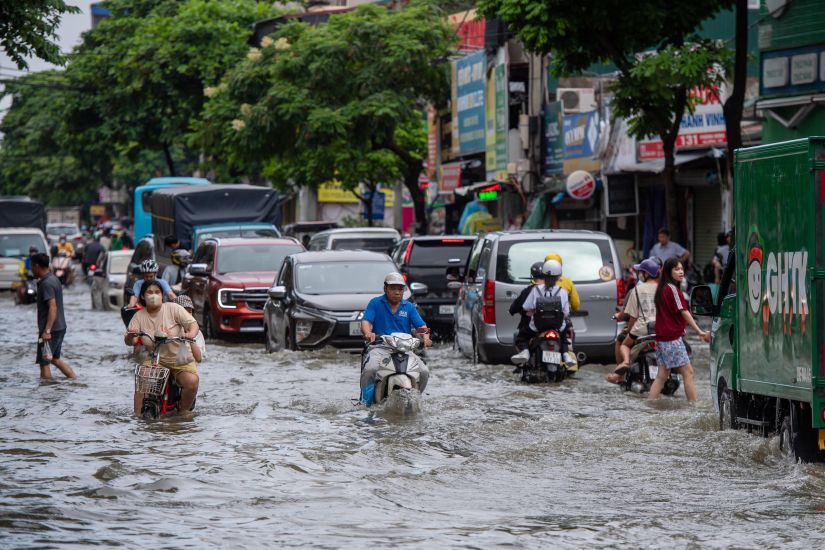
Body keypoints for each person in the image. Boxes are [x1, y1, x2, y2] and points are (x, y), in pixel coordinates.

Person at [125, 281, 199, 415]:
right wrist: (130, 336)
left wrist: (191, 334)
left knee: (192, 382)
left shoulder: (173, 308)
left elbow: (193, 324)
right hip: (156, 359)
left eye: (157, 292)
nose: (154, 295)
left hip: (180, 360)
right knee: (142, 380)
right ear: (142, 296)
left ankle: (183, 412)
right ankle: (137, 416)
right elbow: (130, 341)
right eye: (150, 292)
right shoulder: (138, 316)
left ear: (162, 295)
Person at [360, 272, 433, 400]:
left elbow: (421, 326)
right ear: (385, 288)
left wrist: (426, 338)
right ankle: (366, 402)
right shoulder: (375, 303)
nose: (397, 292)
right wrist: (368, 333)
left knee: (424, 372)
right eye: (393, 288)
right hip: (380, 348)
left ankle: (416, 399)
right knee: (370, 369)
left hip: (404, 350)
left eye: (400, 289)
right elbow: (366, 321)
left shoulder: (409, 307)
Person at [648, 257, 710, 401]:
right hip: (671, 339)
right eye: (677, 269)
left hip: (661, 339)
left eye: (682, 269)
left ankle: (650, 404)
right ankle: (694, 408)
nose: (681, 272)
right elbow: (684, 310)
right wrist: (699, 331)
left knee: (662, 376)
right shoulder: (672, 289)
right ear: (669, 272)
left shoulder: (662, 289)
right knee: (688, 372)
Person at [607, 258, 660, 384]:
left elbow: (633, 317)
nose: (639, 274)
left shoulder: (637, 290)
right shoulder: (664, 289)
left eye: (641, 271)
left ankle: (623, 368)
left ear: (646, 274)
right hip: (662, 329)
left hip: (642, 328)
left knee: (624, 343)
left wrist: (629, 330)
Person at [512, 259, 574, 366]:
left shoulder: (536, 290)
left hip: (537, 326)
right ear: (559, 277)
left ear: (544, 275)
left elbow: (526, 307)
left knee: (521, 336)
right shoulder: (563, 292)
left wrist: (532, 311)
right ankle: (565, 354)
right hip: (557, 327)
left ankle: (525, 351)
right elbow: (566, 313)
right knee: (564, 334)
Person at [30, 253, 76, 380]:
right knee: (55, 359)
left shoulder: (46, 284)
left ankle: (47, 394)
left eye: (32, 266)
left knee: (44, 363)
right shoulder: (53, 279)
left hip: (51, 330)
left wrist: (47, 331)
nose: (31, 270)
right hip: (60, 327)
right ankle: (74, 380)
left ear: (37, 266)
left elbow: (53, 307)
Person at [509, 261, 544, 354]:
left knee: (517, 335)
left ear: (533, 275)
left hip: (532, 329)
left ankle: (522, 363)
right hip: (554, 327)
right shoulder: (557, 290)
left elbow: (515, 309)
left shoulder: (528, 291)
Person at [173, 295, 206, 362]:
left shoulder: (197, 333)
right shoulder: (168, 328)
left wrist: (190, 337)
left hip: (189, 366)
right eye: (183, 311)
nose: (187, 314)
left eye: (189, 311)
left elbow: (199, 359)